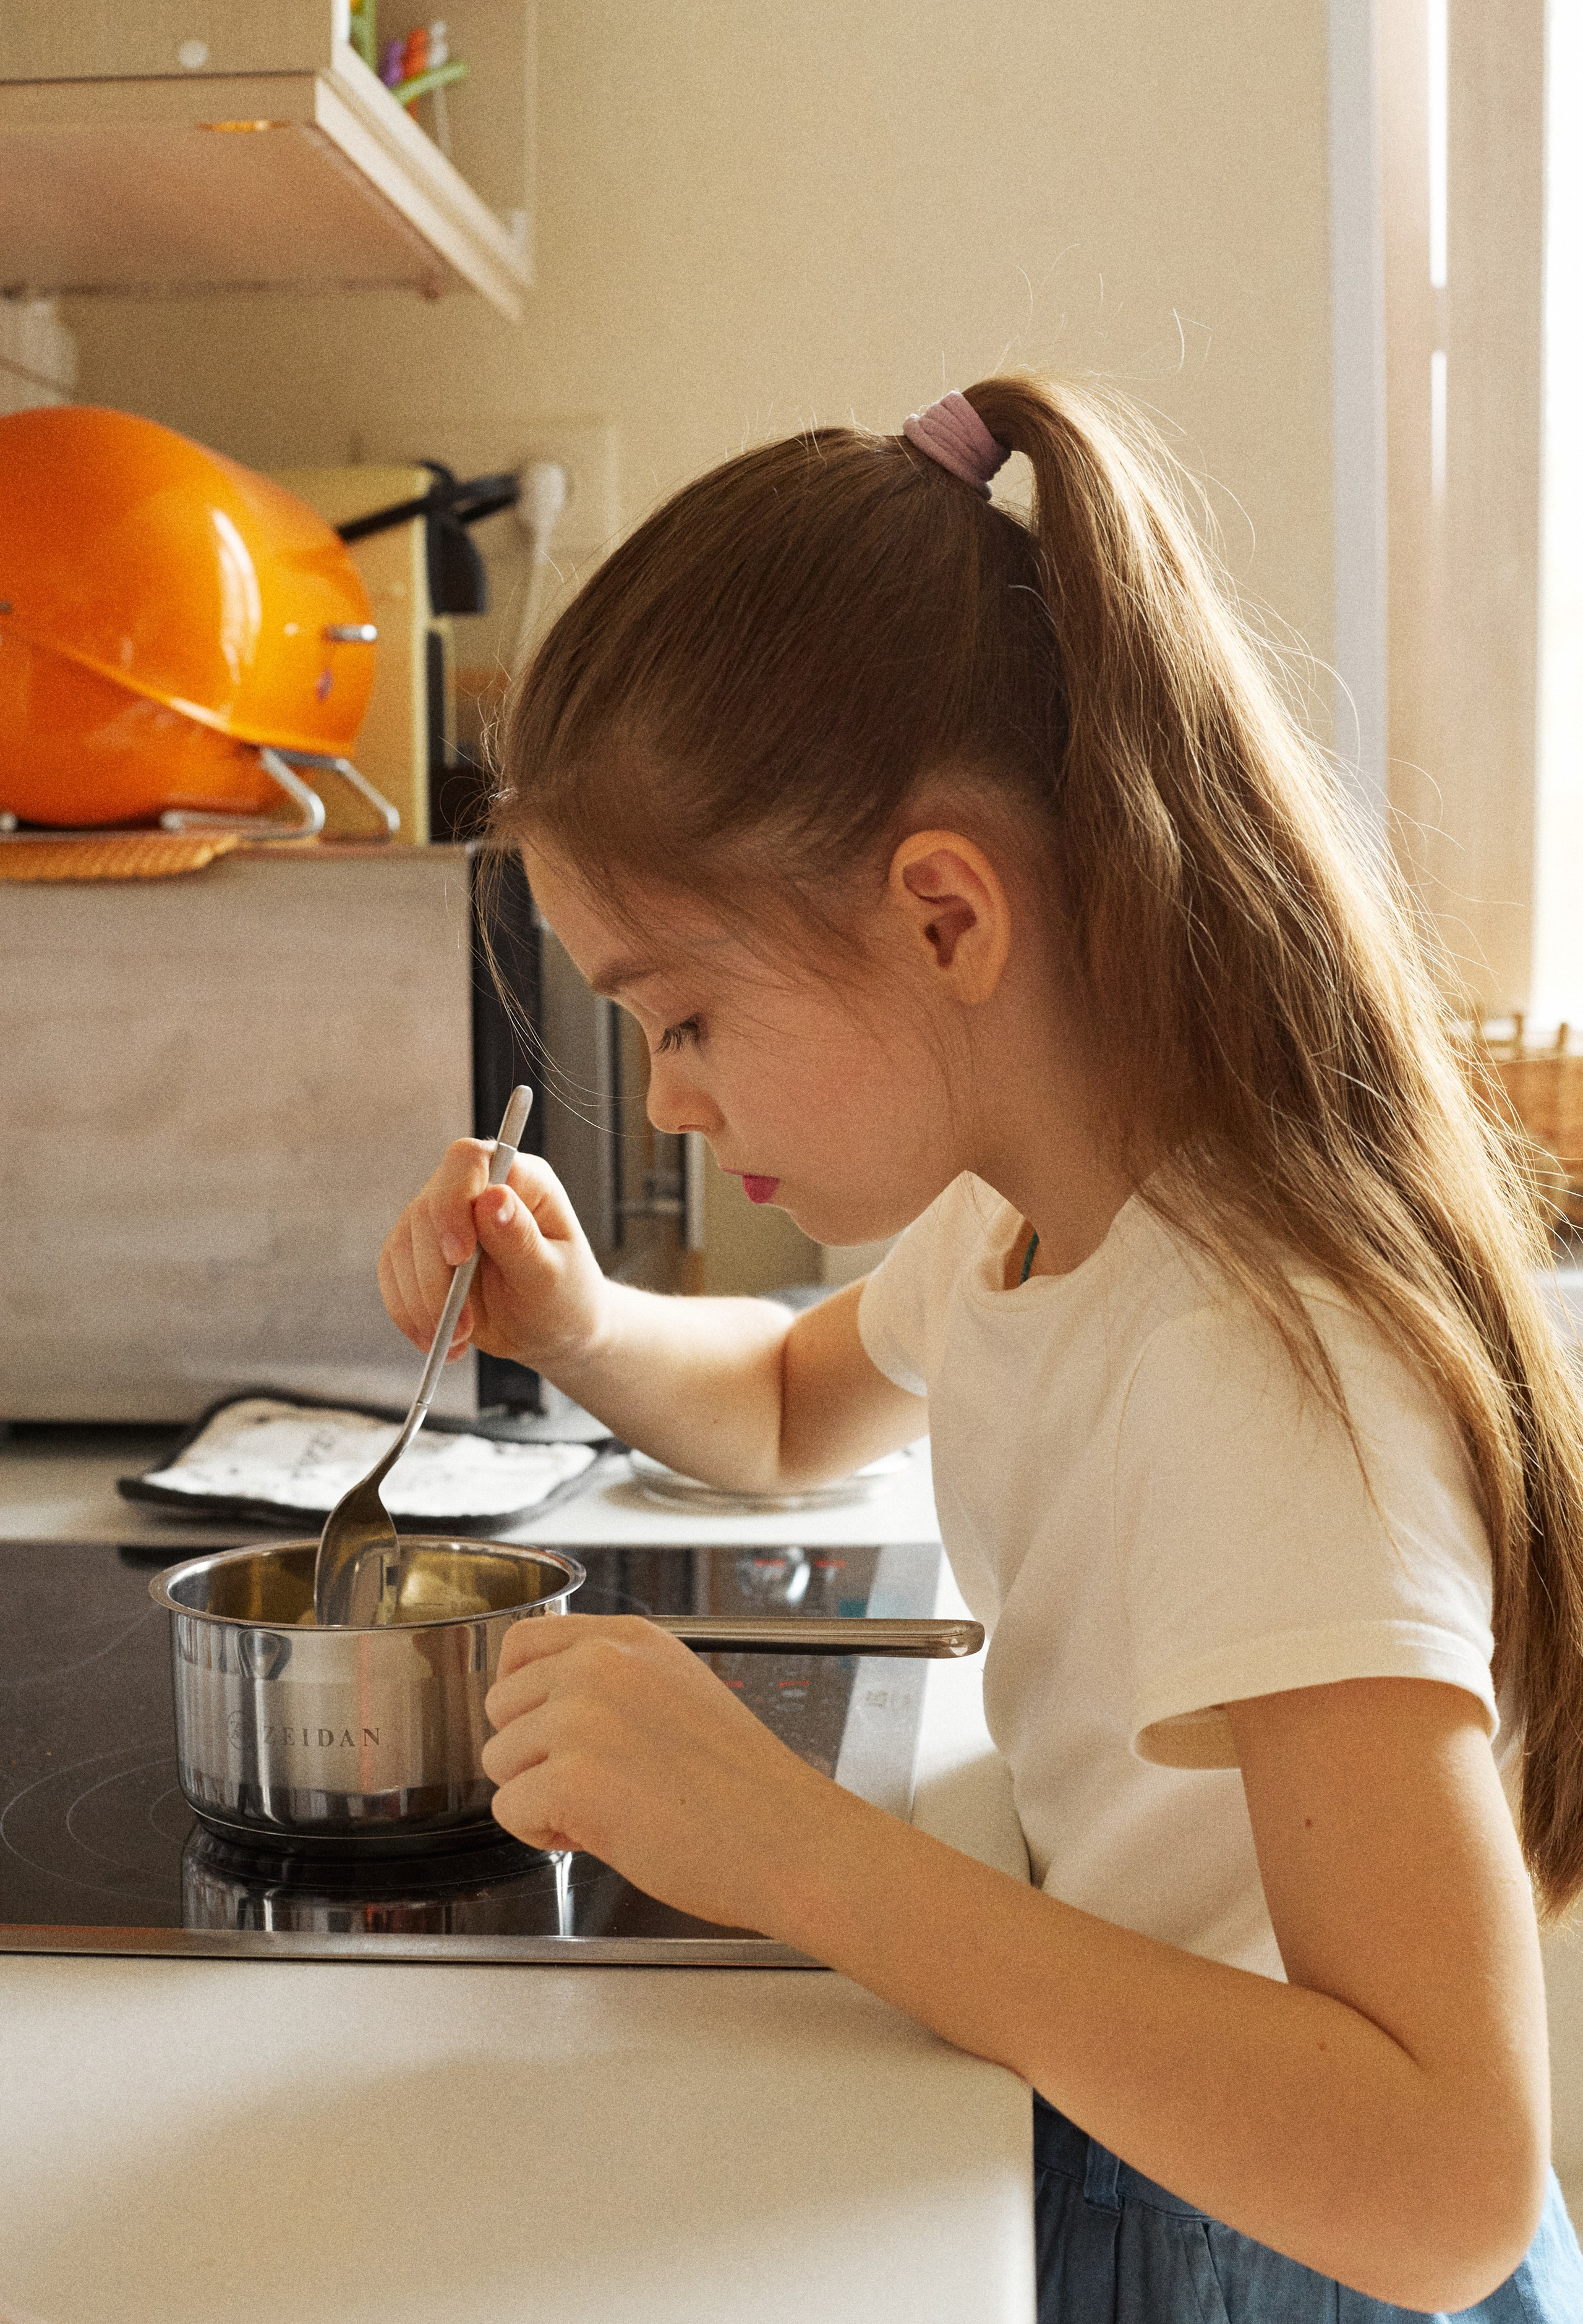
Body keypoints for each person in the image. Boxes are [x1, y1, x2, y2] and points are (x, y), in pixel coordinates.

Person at [378, 377, 1583, 2320]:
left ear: (943, 914)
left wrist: (799, 1852)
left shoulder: (1249, 1355)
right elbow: (784, 1409)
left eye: (679, 1016)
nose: (669, 1101)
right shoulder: (1029, 1216)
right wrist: (577, 1321)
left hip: (1288, 2250)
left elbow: (1444, 2178)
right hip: (1169, 2158)